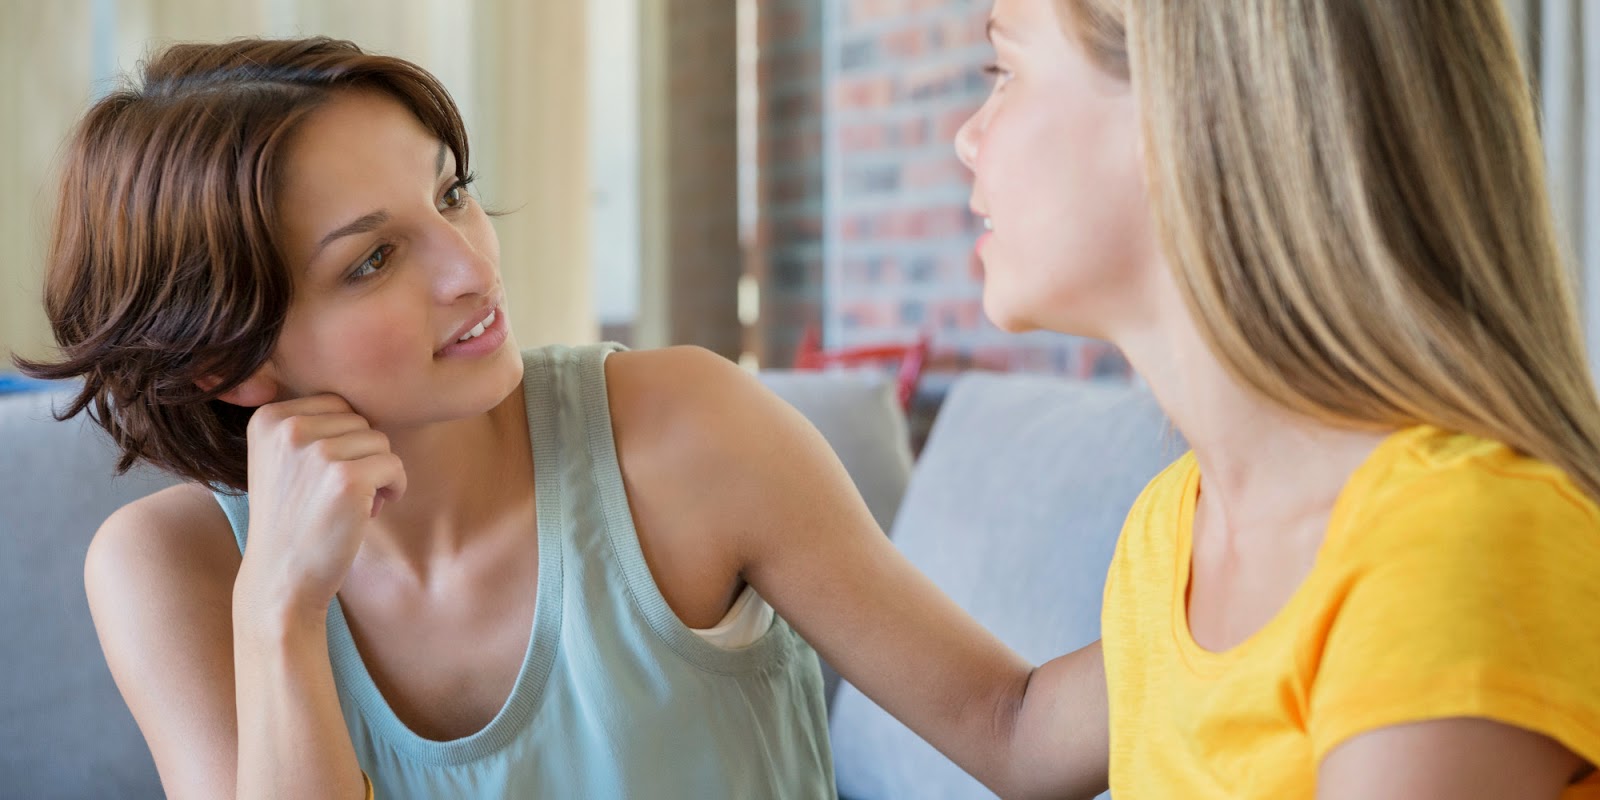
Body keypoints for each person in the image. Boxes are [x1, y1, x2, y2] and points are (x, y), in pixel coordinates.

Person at [16, 37, 1091, 800]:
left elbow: (1014, 732)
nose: (470, 265)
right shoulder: (171, 572)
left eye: (450, 192)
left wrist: (1210, 558)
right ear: (230, 361)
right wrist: (279, 611)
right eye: (375, 258)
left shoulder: (682, 433)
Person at [954, 0, 1600, 796]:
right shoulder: (1174, 533)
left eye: (1005, 70)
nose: (967, 137)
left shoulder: (1453, 543)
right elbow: (1016, 733)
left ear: (1183, 109)